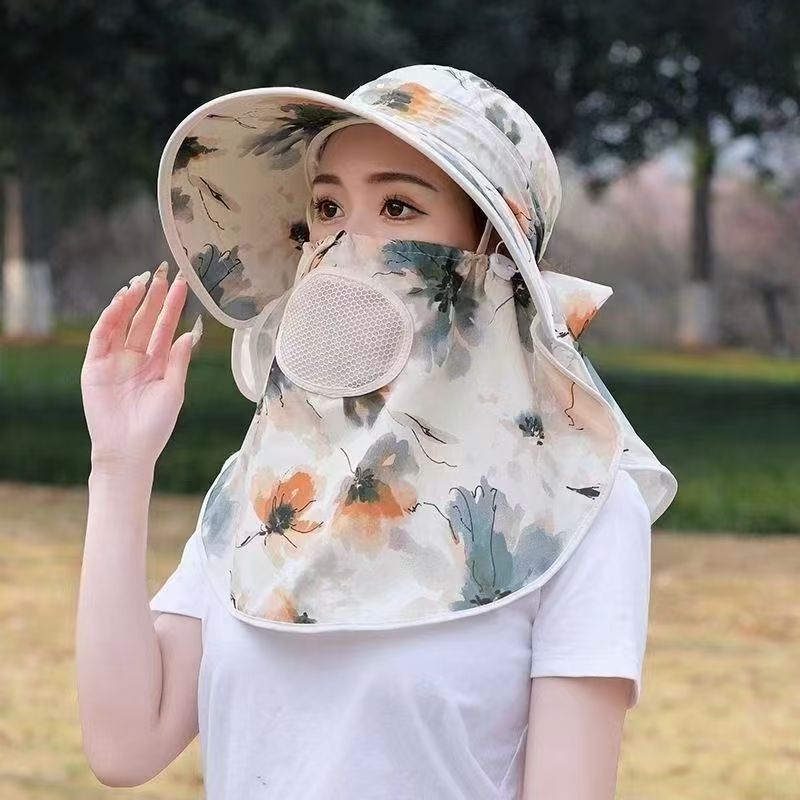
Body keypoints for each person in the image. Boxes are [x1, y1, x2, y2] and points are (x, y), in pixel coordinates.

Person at [76, 65, 674, 800]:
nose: (344, 243)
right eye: (327, 208)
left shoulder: (579, 509)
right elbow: (125, 743)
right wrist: (119, 464)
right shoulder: (269, 480)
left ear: (492, 249)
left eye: (398, 207)